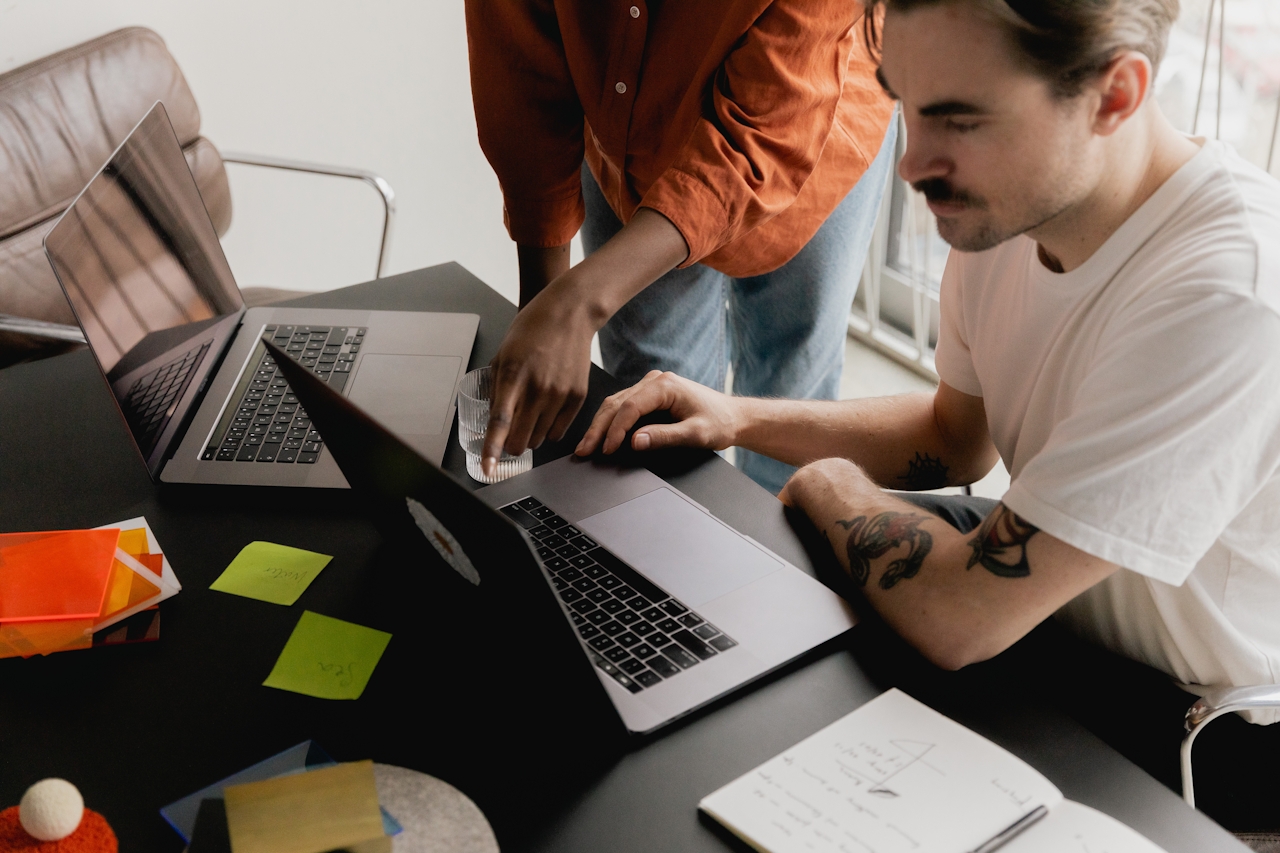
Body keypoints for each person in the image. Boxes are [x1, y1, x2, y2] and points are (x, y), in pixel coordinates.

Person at [575, 0, 1280, 832]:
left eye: (959, 120)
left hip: (1203, 716)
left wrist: (828, 482)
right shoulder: (1016, 209)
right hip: (1057, 595)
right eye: (905, 104)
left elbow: (961, 615)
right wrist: (734, 418)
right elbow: (953, 437)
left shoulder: (1227, 289)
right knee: (762, 610)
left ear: (1115, 95)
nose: (912, 164)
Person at [465, 0, 897, 493]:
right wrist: (546, 303)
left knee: (792, 391)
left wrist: (576, 303)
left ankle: (779, 561)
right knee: (648, 414)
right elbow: (520, 64)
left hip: (813, 135)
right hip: (629, 137)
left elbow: (765, 133)